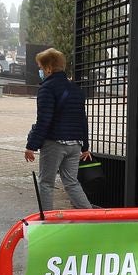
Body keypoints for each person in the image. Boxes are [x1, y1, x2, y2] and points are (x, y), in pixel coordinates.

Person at [24, 48, 93, 209]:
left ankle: (46, 221)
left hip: (55, 143)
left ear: (48, 68)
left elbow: (44, 120)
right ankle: (91, 217)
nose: (40, 71)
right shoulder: (76, 90)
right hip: (75, 144)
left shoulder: (47, 89)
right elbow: (82, 119)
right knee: (71, 182)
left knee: (46, 183)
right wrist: (85, 146)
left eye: (40, 67)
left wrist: (31, 146)